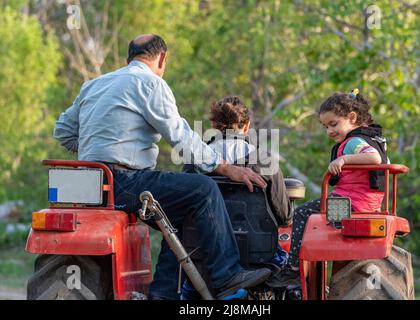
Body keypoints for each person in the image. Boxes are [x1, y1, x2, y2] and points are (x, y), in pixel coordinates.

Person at [53, 34, 272, 300]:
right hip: (127, 181)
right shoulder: (150, 83)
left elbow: (63, 131)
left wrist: (98, 146)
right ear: (162, 58)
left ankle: (163, 294)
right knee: (203, 189)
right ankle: (227, 275)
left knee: (174, 218)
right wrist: (226, 168)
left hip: (90, 182)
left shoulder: (94, 85)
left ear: (128, 57)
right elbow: (180, 136)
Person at [267, 88, 389, 288]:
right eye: (325, 126)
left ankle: (293, 269)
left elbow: (374, 159)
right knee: (315, 221)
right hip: (368, 206)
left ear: (352, 117)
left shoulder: (354, 142)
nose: (329, 131)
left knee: (301, 214)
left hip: (347, 205)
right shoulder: (374, 138)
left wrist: (343, 159)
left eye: (334, 124)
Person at [184, 95, 292, 227]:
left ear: (213, 125)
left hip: (202, 245)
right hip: (255, 245)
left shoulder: (194, 161)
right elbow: (284, 218)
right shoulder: (266, 161)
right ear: (246, 126)